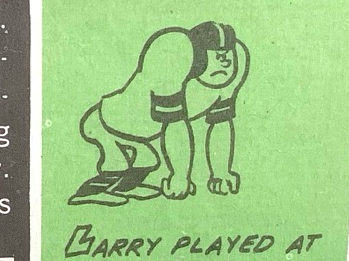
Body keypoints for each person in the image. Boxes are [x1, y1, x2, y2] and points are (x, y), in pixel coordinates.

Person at [68, 21, 249, 207]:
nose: (224, 63)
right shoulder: (171, 57)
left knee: (147, 160)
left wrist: (221, 173)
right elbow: (175, 125)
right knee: (117, 163)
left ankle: (125, 188)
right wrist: (179, 176)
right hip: (107, 123)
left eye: (226, 55)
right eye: (215, 55)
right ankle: (86, 193)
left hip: (142, 134)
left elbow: (221, 122)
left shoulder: (239, 61)